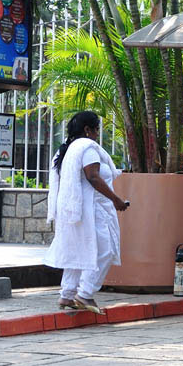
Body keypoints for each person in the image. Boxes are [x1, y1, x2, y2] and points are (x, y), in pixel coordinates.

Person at [45, 111, 129, 315]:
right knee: (104, 251)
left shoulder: (66, 150)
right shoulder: (87, 149)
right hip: (93, 209)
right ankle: (85, 293)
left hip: (73, 209)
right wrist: (116, 199)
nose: (98, 134)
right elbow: (93, 177)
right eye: (97, 129)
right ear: (87, 130)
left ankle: (67, 294)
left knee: (77, 250)